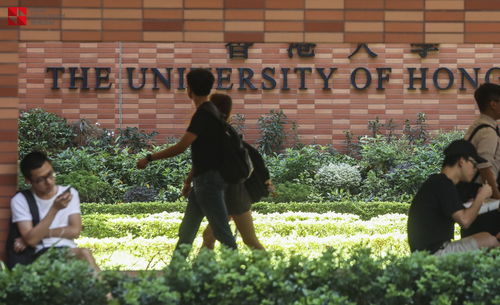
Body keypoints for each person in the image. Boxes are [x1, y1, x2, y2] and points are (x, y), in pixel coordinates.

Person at [137, 69, 237, 256]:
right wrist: (189, 180)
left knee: (221, 231)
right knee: (187, 231)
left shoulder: (204, 114)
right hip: (204, 180)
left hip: (209, 182)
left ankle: (241, 275)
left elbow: (181, 147)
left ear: (189, 90)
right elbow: (205, 153)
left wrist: (149, 158)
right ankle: (176, 271)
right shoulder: (211, 113)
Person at [182, 93, 271, 250]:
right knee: (241, 239)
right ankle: (207, 270)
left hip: (227, 193)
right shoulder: (228, 131)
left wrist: (188, 182)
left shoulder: (213, 131)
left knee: (234, 238)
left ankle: (210, 270)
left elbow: (201, 162)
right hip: (235, 192)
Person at [10, 151, 100, 271]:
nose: (49, 182)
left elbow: (75, 231)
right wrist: (55, 209)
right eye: (41, 179)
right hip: (40, 254)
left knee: (84, 257)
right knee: (84, 254)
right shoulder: (21, 200)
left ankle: (104, 290)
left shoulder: (68, 193)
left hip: (69, 248)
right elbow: (31, 241)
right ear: (28, 180)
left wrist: (36, 234)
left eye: (50, 174)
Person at [407, 140, 500, 255]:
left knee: (485, 236)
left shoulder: (439, 182)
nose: (475, 169)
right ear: (461, 161)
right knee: (490, 241)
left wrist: (475, 201)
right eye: (474, 164)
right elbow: (465, 221)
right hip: (433, 253)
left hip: (430, 250)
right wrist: (481, 197)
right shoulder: (443, 184)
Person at [459, 83, 500, 237]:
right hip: (483, 196)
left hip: (475, 194)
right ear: (493, 104)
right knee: (487, 239)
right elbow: (485, 168)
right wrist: (497, 196)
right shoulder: (487, 131)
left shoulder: (477, 126)